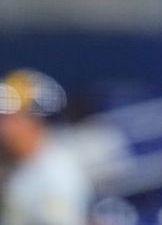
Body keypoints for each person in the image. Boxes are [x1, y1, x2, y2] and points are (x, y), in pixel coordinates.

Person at [0, 69, 93, 225]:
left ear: (33, 121)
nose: (3, 127)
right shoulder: (20, 164)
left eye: (9, 117)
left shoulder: (56, 174)